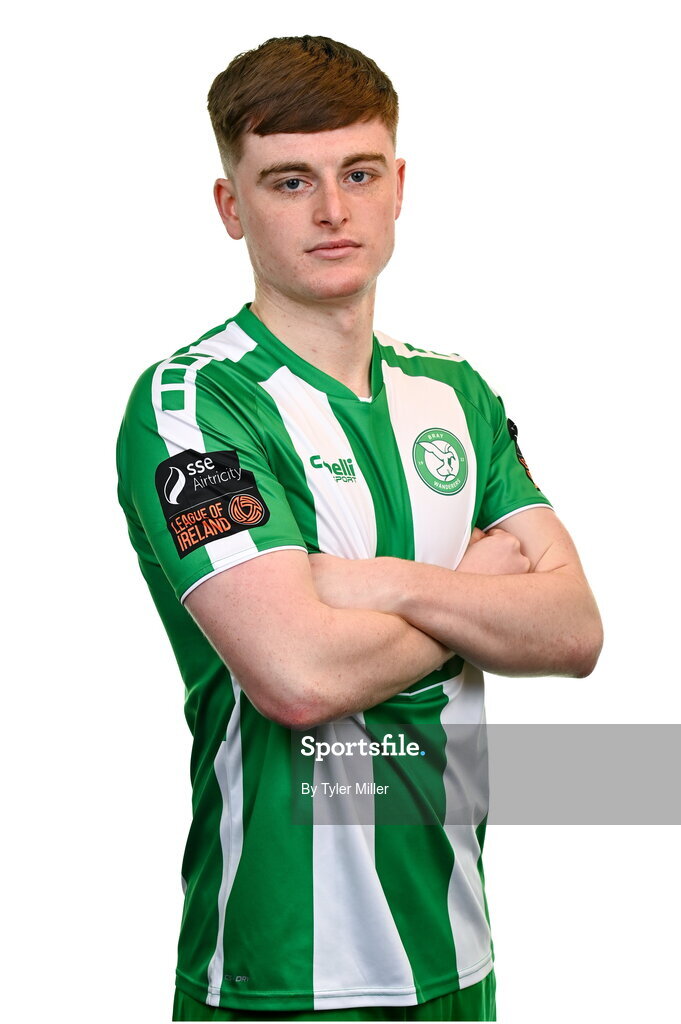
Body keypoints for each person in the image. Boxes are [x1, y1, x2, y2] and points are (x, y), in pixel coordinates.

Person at [116, 35, 603, 1023]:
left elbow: (574, 632)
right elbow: (298, 677)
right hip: (281, 972)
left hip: (457, 956)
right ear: (231, 206)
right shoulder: (194, 404)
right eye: (290, 180)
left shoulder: (456, 394)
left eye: (359, 173)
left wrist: (380, 583)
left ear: (398, 187)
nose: (333, 210)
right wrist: (480, 589)